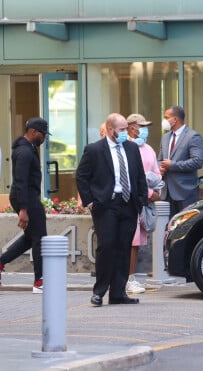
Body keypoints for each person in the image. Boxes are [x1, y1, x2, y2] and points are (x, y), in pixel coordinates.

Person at [76, 113, 148, 307]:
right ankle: (99, 292)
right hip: (106, 205)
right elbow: (81, 176)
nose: (126, 132)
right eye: (122, 129)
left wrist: (140, 202)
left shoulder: (132, 148)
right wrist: (89, 201)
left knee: (124, 248)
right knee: (107, 247)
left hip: (128, 204)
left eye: (126, 129)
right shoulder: (94, 150)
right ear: (110, 129)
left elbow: (140, 177)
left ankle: (118, 293)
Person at [0, 118, 49, 293]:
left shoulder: (27, 149)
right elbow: (20, 181)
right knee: (40, 239)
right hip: (27, 198)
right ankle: (39, 282)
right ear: (34, 132)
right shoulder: (25, 152)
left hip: (26, 197)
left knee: (31, 238)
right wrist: (23, 209)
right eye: (43, 135)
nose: (44, 139)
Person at [125, 113, 161, 294]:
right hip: (130, 201)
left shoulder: (149, 149)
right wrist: (146, 193)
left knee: (137, 243)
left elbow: (156, 173)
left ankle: (130, 278)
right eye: (141, 126)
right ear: (131, 127)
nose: (144, 129)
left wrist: (156, 192)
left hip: (145, 203)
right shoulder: (124, 148)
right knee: (130, 242)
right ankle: (126, 278)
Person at [158, 105, 203, 218]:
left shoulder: (193, 136)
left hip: (186, 192)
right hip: (167, 192)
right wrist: (160, 167)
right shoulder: (165, 137)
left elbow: (198, 161)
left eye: (166, 117)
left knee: (185, 227)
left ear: (175, 119)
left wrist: (172, 165)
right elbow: (160, 159)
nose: (164, 120)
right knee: (169, 228)